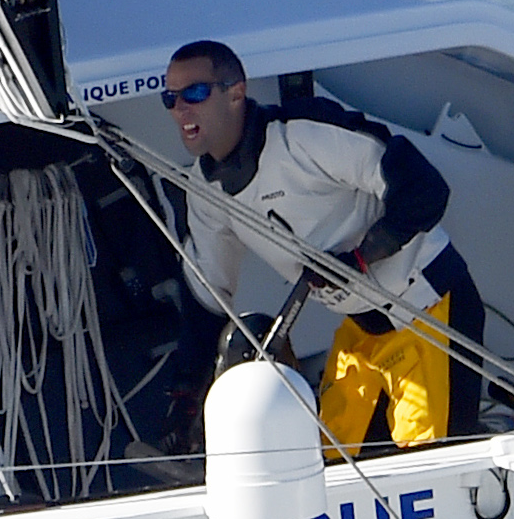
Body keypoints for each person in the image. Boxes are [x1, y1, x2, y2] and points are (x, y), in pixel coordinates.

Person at [159, 39, 484, 453]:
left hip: (430, 308)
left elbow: (423, 186)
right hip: (363, 332)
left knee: (427, 468)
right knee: (330, 463)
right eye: (170, 98)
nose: (180, 109)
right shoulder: (206, 191)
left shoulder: (303, 136)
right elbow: (208, 296)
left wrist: (363, 256)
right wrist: (186, 394)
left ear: (236, 92)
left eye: (195, 93)